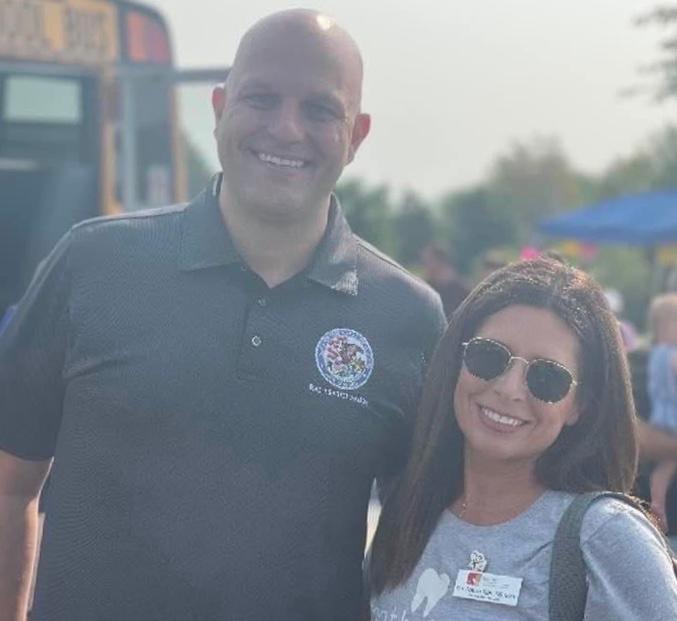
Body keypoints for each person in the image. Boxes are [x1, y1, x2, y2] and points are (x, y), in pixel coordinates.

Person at [0, 10, 445, 621]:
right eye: (261, 98)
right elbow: (9, 483)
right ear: (218, 109)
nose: (285, 129)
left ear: (357, 135)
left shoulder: (408, 318)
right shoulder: (93, 263)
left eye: (320, 109)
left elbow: (420, 539)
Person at [368, 256, 677, 620]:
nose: (509, 389)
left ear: (580, 406)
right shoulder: (411, 510)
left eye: (547, 377)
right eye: (489, 356)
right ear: (456, 362)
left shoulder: (606, 538)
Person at [647, 293, 677, 532]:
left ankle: (657, 504)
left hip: (660, 416)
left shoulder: (656, 353)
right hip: (673, 417)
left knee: (666, 466)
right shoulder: (673, 355)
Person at [420, 244, 469, 318]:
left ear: (440, 262)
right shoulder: (425, 289)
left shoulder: (463, 292)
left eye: (427, 261)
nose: (424, 266)